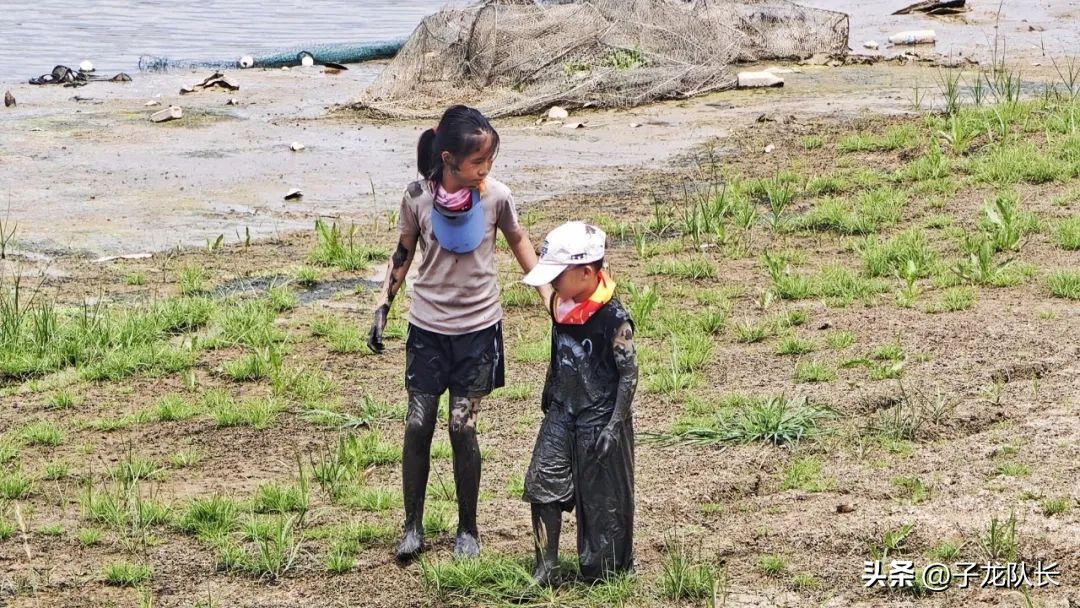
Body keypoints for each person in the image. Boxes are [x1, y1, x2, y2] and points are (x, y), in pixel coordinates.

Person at [367, 105, 549, 561]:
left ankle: (468, 529)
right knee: (417, 423)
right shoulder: (416, 199)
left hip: (477, 331)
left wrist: (548, 294)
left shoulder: (497, 197)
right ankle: (412, 526)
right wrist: (383, 304)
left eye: (489, 161)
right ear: (448, 159)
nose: (485, 170)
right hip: (427, 330)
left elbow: (519, 241)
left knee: (461, 427)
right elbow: (402, 252)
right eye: (477, 163)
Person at [520, 221, 638, 585]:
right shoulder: (560, 304)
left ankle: (607, 565)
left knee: (603, 504)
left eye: (559, 274)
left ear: (587, 272)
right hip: (561, 410)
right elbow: (558, 357)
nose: (552, 283)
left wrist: (614, 425)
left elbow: (629, 375)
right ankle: (547, 564)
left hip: (599, 416)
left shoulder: (614, 319)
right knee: (542, 482)